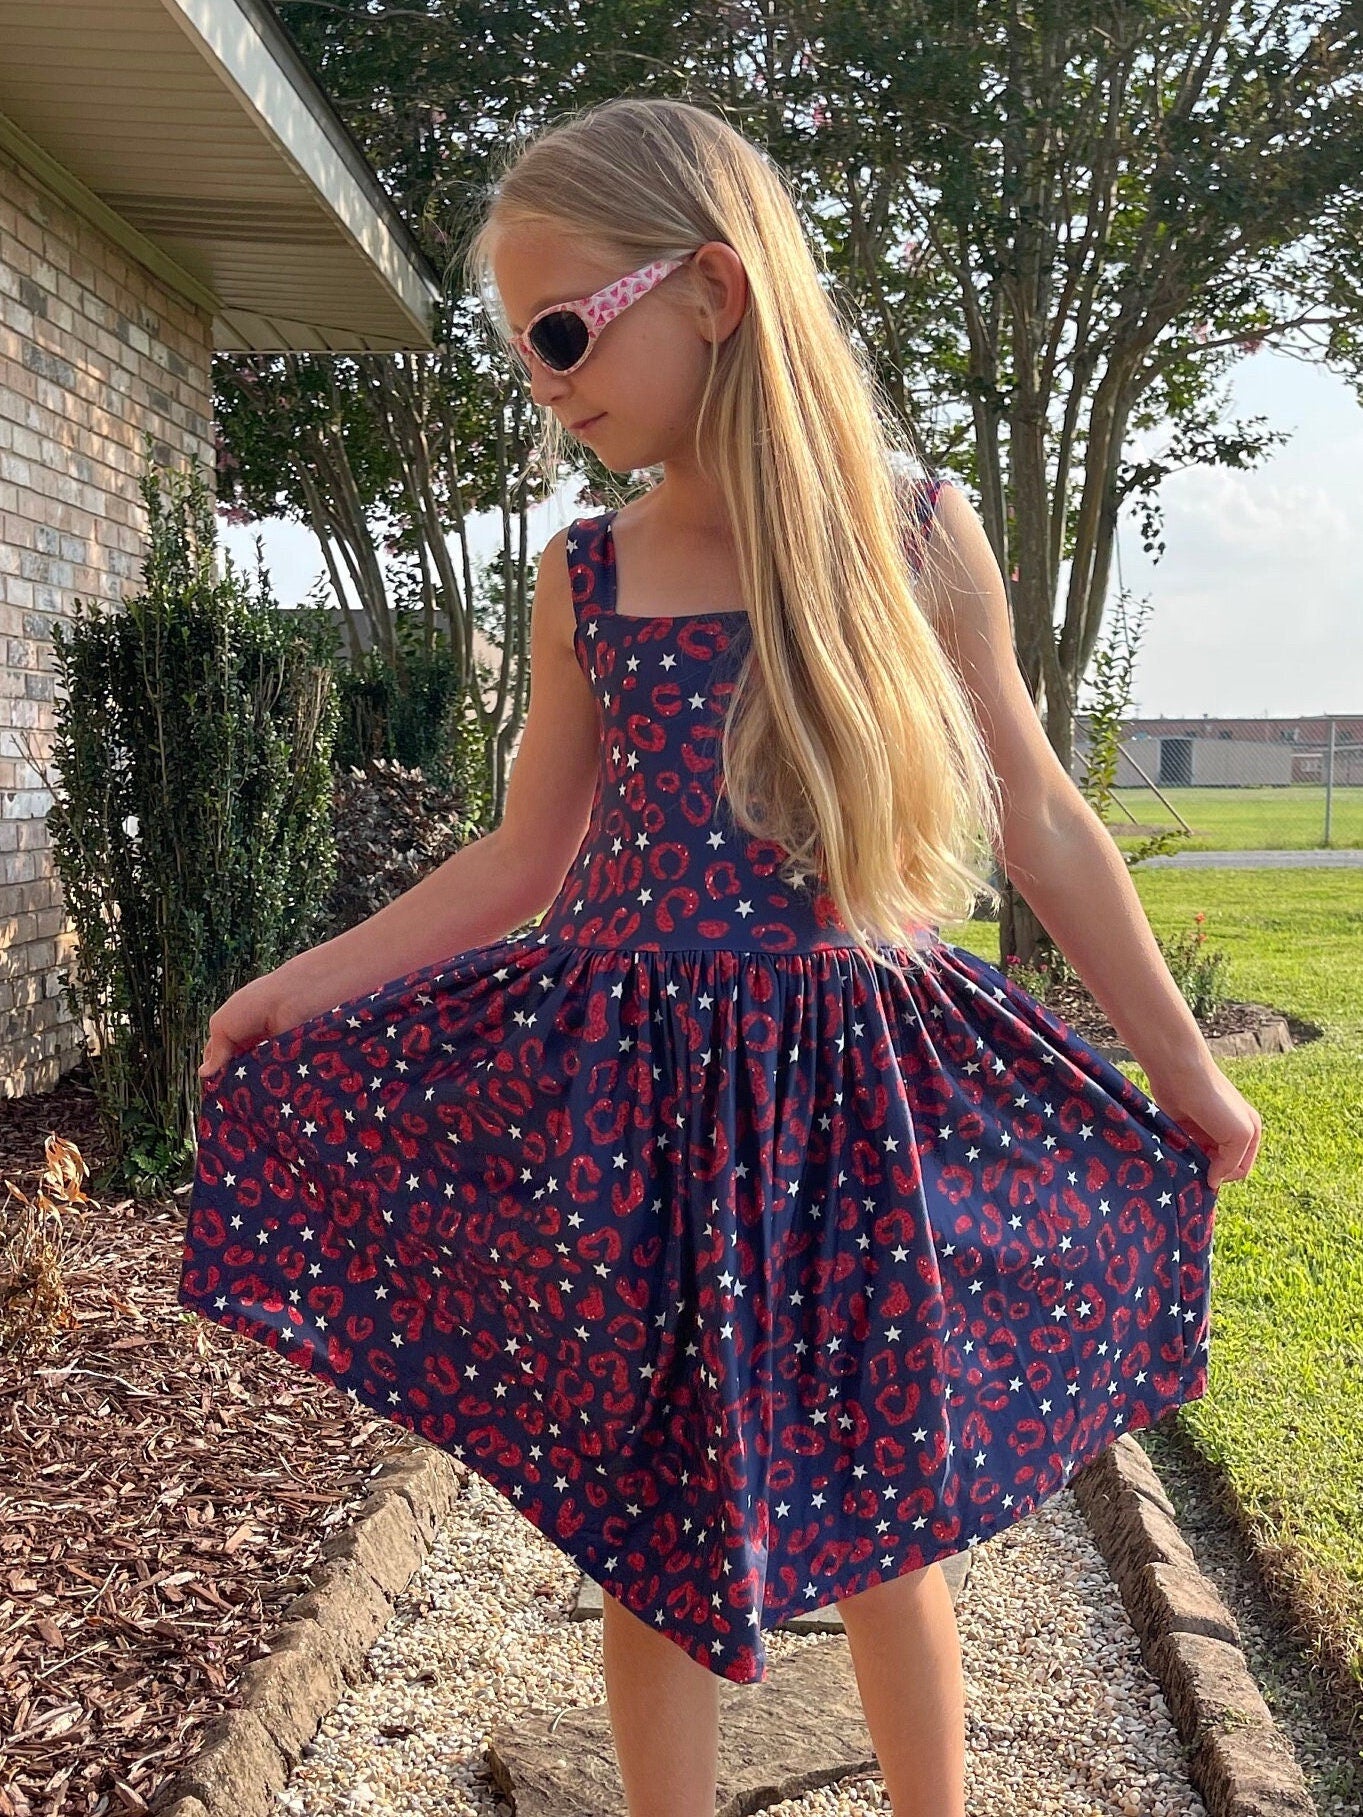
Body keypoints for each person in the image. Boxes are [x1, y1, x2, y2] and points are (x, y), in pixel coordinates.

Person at [184, 95, 1261, 1817]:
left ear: (715, 291)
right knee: (652, 1514)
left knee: (889, 1512)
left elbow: (1044, 818)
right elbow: (524, 861)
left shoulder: (909, 538)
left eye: (560, 330)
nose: (544, 380)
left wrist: (1186, 1067)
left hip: (854, 1101)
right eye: (519, 348)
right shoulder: (587, 576)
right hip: (639, 1113)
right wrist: (299, 986)